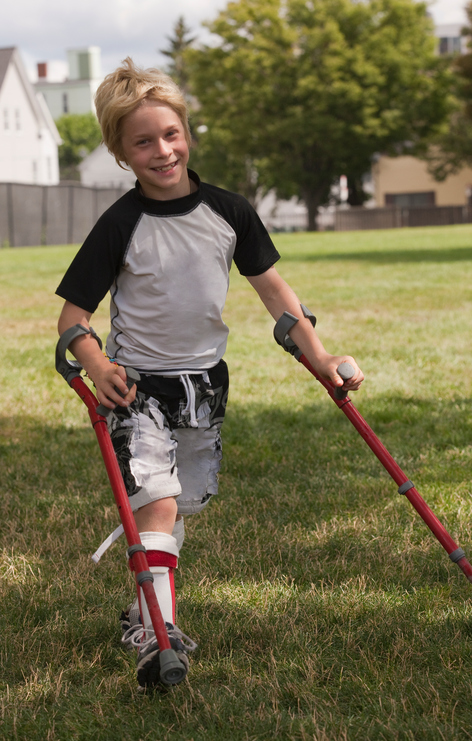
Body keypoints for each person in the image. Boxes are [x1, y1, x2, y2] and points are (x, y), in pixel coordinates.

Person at [56, 57, 364, 690]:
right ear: (120, 151)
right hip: (135, 385)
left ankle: (144, 613)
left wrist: (323, 356)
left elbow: (277, 295)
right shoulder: (120, 223)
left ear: (187, 132)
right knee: (159, 501)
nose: (162, 150)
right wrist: (95, 361)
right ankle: (159, 640)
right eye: (142, 141)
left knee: (178, 504)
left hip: (203, 386)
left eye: (171, 134)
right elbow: (72, 317)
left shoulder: (229, 212)